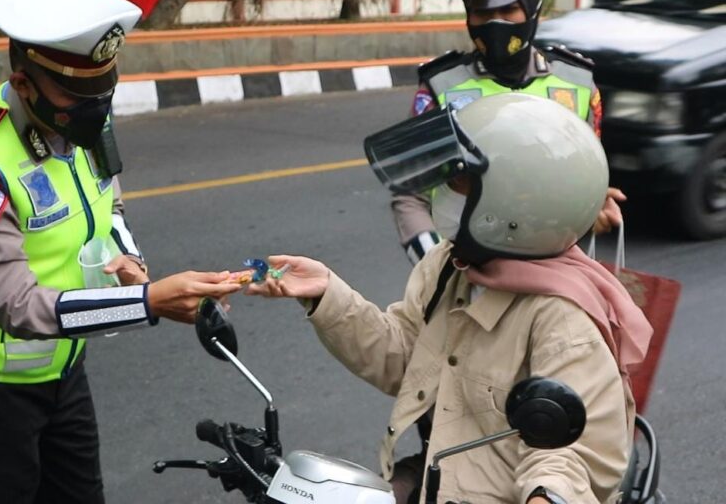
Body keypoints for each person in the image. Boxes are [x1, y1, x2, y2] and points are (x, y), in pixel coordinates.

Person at [0, 0, 242, 504]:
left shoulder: (83, 114)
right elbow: (16, 307)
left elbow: (107, 203)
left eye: (103, 89)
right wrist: (147, 302)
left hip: (62, 373)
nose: (97, 105)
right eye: (78, 93)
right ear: (23, 84)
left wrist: (127, 258)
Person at [247, 94, 653, 504]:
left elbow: (572, 455)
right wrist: (327, 295)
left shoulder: (562, 317)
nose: (443, 191)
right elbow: (405, 360)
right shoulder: (451, 264)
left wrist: (546, 496)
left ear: (513, 200)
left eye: (459, 180)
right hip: (438, 477)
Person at [395, 0, 624, 265]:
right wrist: (436, 268)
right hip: (469, 273)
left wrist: (593, 207)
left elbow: (582, 178)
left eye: (508, 10)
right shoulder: (441, 87)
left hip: (555, 276)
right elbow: (411, 194)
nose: (495, 24)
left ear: (533, 9)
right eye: (483, 13)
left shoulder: (577, 84)